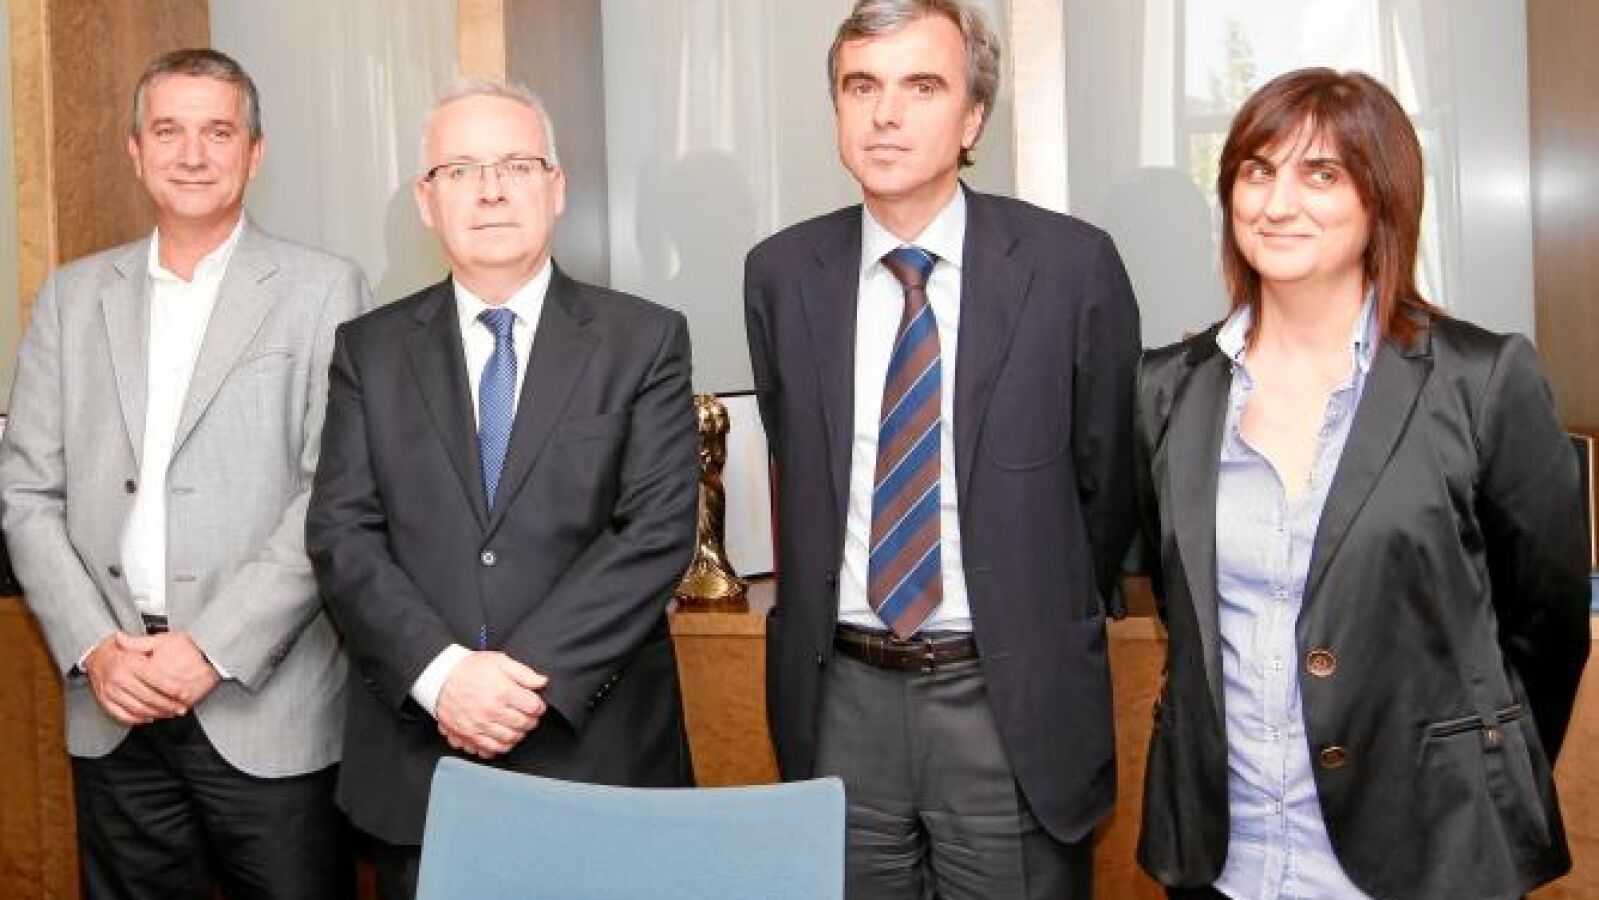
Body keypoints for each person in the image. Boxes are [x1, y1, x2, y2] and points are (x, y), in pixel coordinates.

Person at [1133, 68, 1590, 900]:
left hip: (1432, 852)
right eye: (1257, 171)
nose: (1277, 204)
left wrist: (1474, 763)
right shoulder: (1167, 388)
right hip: (1225, 858)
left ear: (1381, 199)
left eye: (1321, 174)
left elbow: (1546, 625)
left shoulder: (1479, 379)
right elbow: (1181, 607)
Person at [743, 1, 1141, 896]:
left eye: (921, 87)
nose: (885, 113)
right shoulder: (780, 274)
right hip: (837, 700)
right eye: (862, 87)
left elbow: (1107, 486)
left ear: (972, 120)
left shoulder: (1070, 268)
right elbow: (796, 455)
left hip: (1007, 700)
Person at [304, 79, 698, 900]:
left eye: (516, 165)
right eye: (460, 170)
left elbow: (654, 533)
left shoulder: (644, 339)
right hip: (423, 763)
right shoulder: (368, 351)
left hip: (601, 758)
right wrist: (444, 676)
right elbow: (342, 534)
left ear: (556, 188)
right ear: (426, 200)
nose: (490, 190)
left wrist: (516, 684)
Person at [0, 48, 372, 899]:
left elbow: (332, 493)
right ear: (136, 152)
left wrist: (211, 647)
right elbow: (26, 492)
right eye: (168, 131)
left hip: (267, 706)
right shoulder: (69, 297)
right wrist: (95, 647)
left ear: (255, 152)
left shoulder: (324, 290)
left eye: (218, 132)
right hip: (115, 700)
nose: (193, 154)